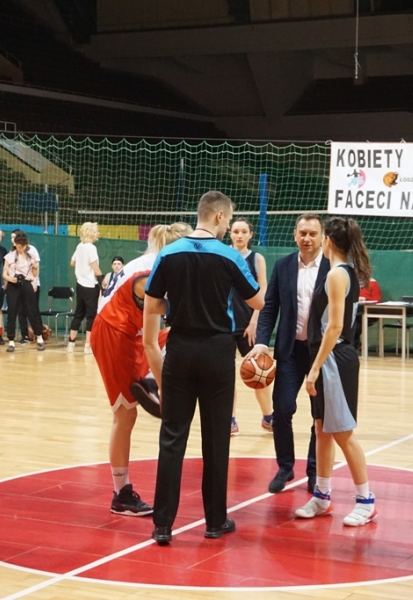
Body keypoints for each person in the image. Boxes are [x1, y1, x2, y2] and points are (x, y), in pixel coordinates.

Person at [143, 191, 264, 546]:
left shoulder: (168, 253)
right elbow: (257, 299)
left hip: (179, 348)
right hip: (216, 351)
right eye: (229, 220)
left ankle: (163, 524)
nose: (229, 227)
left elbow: (152, 305)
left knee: (172, 436)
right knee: (215, 438)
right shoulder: (229, 256)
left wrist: (180, 302)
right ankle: (214, 521)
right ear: (220, 216)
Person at [90, 223, 191, 517]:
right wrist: (165, 387)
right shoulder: (148, 276)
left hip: (128, 330)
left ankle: (148, 381)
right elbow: (152, 337)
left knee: (183, 334)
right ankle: (121, 494)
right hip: (114, 334)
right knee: (125, 415)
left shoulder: (154, 262)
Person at [293, 217, 376, 527]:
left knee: (342, 433)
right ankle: (322, 495)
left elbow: (335, 327)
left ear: (327, 240)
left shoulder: (336, 275)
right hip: (330, 355)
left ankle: (366, 500)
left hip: (334, 359)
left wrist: (314, 369)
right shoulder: (345, 271)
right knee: (322, 429)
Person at [248, 214, 325, 494]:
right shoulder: (283, 266)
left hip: (320, 353)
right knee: (281, 409)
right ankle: (285, 466)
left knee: (320, 414)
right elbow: (269, 308)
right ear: (295, 235)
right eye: (302, 233)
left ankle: (315, 471)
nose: (307, 238)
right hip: (289, 350)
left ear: (322, 237)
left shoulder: (333, 268)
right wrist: (261, 342)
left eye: (312, 233)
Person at [228, 217, 271, 436]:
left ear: (250, 234)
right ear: (230, 233)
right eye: (236, 231)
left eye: (244, 231)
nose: (239, 235)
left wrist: (255, 321)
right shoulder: (224, 255)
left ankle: (268, 417)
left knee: (260, 373)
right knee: (226, 377)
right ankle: (230, 420)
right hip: (226, 325)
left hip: (249, 325)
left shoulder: (257, 259)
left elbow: (262, 291)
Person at [3, 231, 46, 352]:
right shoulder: (9, 256)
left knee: (32, 311)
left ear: (26, 245)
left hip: (26, 284)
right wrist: (10, 279)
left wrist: (35, 266)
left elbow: (35, 274)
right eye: (18, 246)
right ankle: (11, 341)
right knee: (12, 312)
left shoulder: (30, 257)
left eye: (22, 247)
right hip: (13, 284)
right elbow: (4, 273)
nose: (20, 249)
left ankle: (39, 338)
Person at [67, 222, 102, 353]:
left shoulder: (79, 246)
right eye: (96, 231)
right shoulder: (91, 248)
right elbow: (95, 268)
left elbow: (72, 262)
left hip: (80, 284)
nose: (98, 233)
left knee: (78, 313)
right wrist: (103, 281)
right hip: (90, 285)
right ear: (90, 232)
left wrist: (81, 267)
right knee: (91, 315)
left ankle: (71, 344)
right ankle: (88, 345)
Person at [10, 229, 41, 345]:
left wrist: (34, 283)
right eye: (11, 238)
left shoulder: (31, 250)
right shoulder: (12, 253)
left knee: (33, 310)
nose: (12, 239)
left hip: (31, 284)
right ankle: (25, 335)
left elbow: (36, 267)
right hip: (17, 285)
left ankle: (39, 334)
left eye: (14, 237)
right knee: (20, 311)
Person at [353, 276, 381, 350]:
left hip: (370, 314)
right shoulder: (351, 282)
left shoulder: (373, 283)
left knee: (355, 325)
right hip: (354, 313)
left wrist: (365, 299)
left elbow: (377, 300)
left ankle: (355, 344)